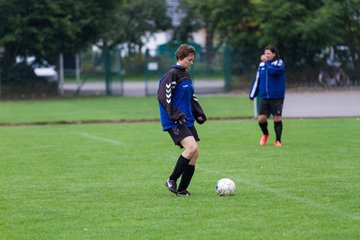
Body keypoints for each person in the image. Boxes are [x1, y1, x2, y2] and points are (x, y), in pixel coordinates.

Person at [157, 44, 207, 196]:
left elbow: (191, 95)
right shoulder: (172, 74)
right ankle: (171, 180)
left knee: (195, 152)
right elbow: (162, 97)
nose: (191, 63)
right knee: (191, 148)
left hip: (187, 119)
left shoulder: (185, 74)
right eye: (189, 60)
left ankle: (182, 189)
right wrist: (176, 115)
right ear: (180, 58)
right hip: (174, 120)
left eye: (192, 60)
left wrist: (199, 112)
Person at [249, 45, 286, 147]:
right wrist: (252, 94)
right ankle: (265, 134)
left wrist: (266, 63)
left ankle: (278, 140)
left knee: (277, 118)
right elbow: (257, 80)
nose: (266, 55)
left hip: (277, 96)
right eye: (265, 53)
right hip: (264, 97)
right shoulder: (261, 65)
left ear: (274, 54)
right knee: (261, 119)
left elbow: (274, 72)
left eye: (269, 53)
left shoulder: (279, 63)